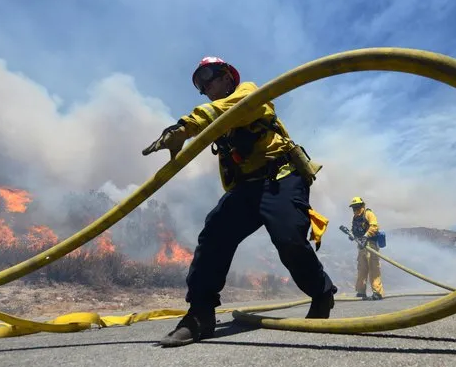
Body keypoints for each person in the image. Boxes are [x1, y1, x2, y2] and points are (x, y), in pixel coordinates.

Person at [142, 56, 337, 347]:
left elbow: (226, 110)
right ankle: (200, 315)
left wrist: (184, 128)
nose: (205, 86)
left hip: (280, 179)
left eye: (208, 76)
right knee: (213, 235)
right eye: (199, 83)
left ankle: (322, 294)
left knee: (288, 238)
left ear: (227, 77)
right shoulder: (219, 125)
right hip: (247, 189)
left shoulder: (250, 94)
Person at [348, 197, 385, 300]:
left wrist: (365, 236)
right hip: (361, 246)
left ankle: (378, 292)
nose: (355, 209)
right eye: (354, 208)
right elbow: (354, 230)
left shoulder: (368, 214)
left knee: (374, 269)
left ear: (362, 206)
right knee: (361, 269)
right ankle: (361, 292)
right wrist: (352, 236)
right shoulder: (355, 217)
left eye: (357, 207)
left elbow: (374, 226)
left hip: (370, 244)